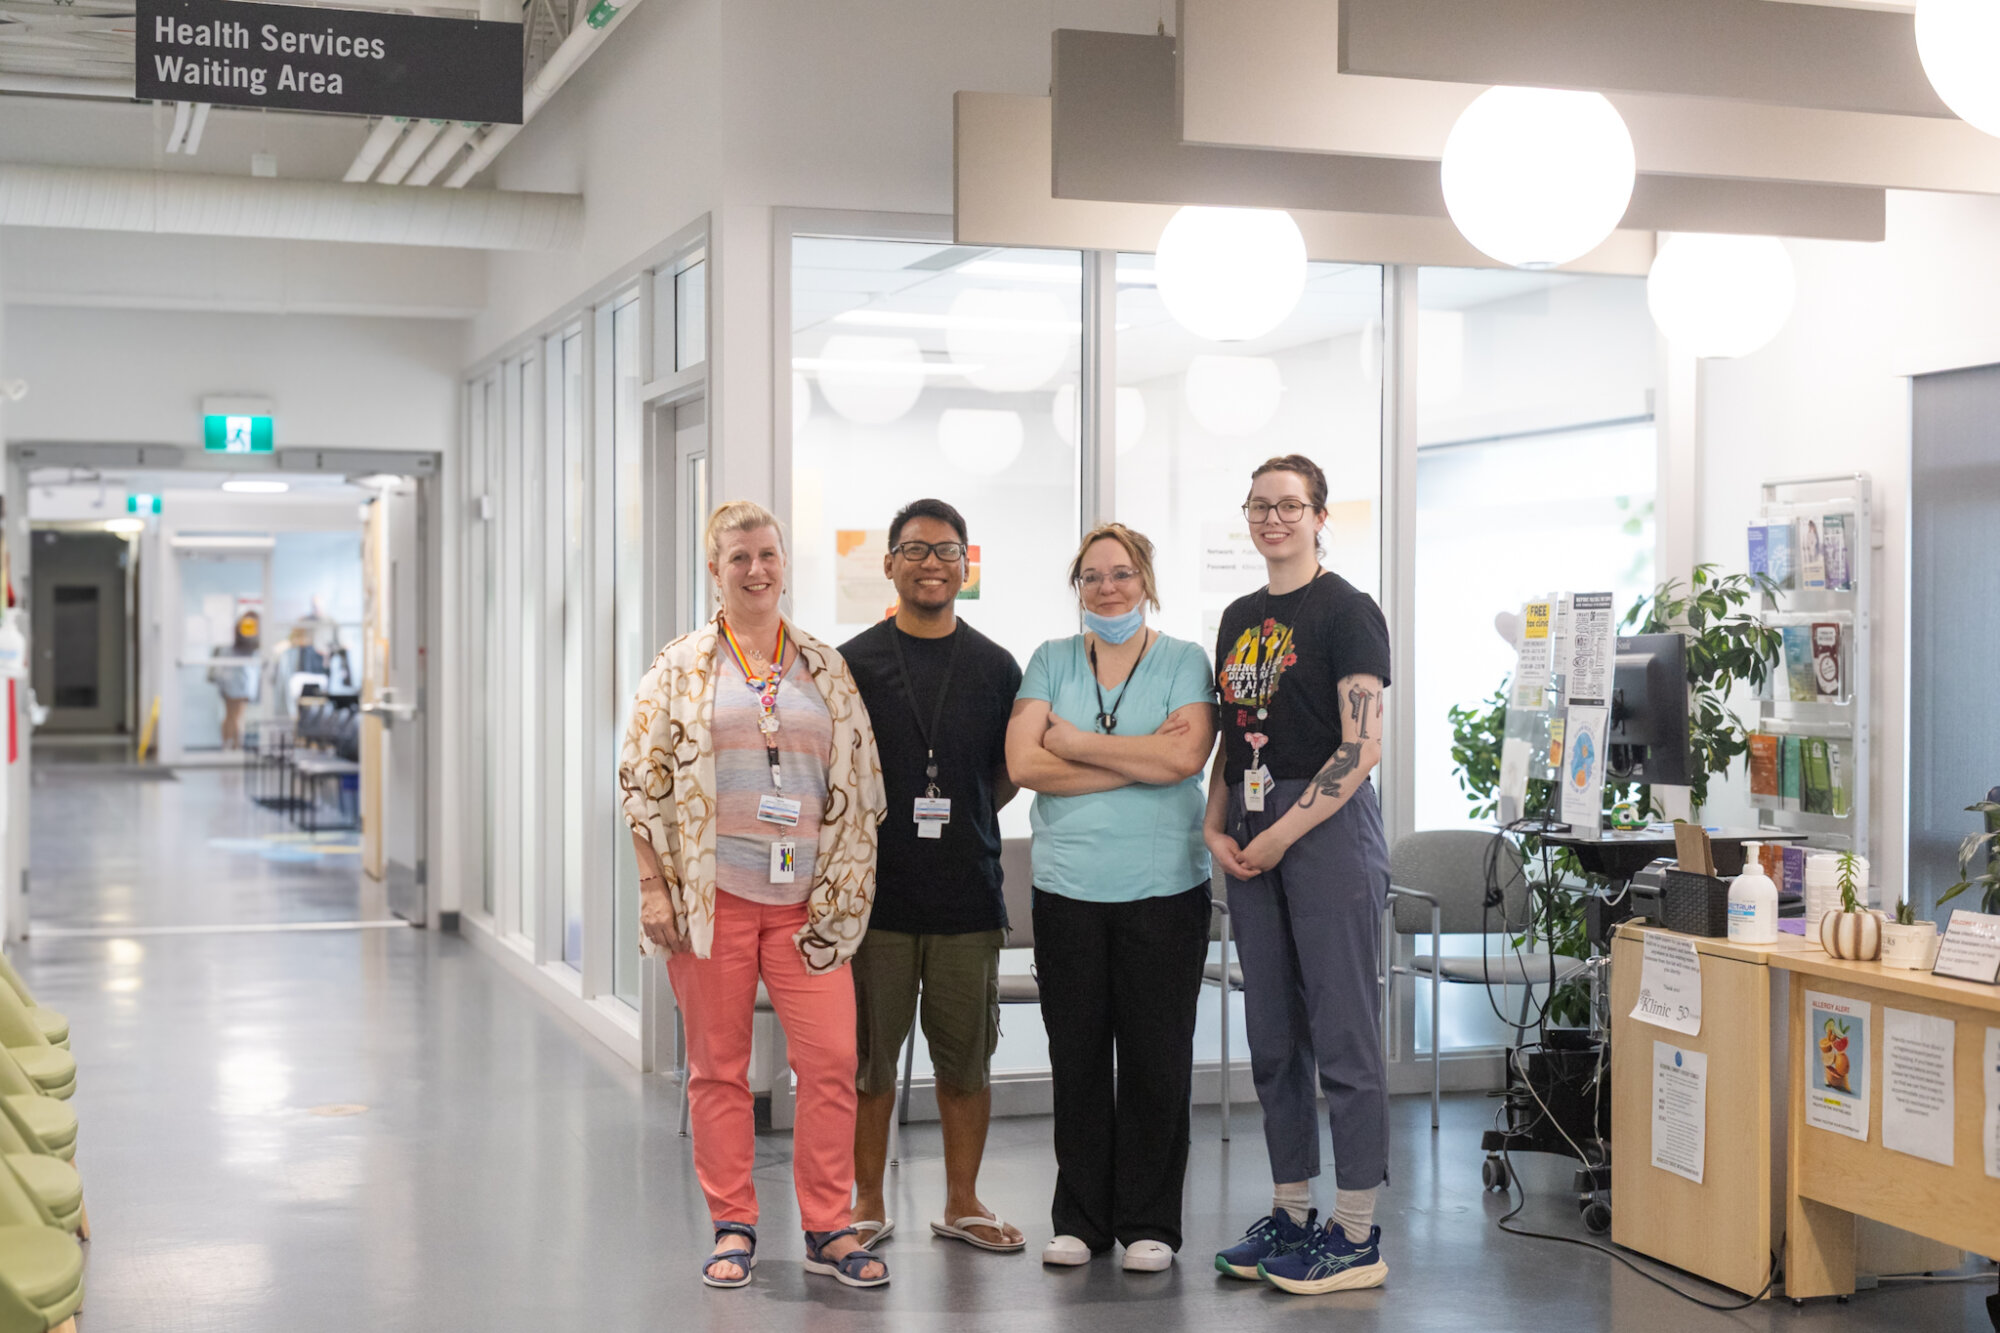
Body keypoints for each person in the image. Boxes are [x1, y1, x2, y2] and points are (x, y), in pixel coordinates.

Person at [617, 500, 890, 1291]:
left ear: (783, 561)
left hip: (808, 903)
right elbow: (640, 782)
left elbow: (862, 778)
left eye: (767, 553)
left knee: (832, 1062)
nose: (756, 569)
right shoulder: (680, 666)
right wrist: (651, 885)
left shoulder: (823, 667)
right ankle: (733, 1221)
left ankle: (828, 1226)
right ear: (715, 569)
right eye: (738, 557)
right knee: (718, 1068)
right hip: (715, 900)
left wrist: (846, 879)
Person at [1005, 522, 1216, 1273]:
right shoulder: (1052, 659)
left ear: (1146, 579)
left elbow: (1187, 755)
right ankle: (1082, 1218)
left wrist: (1079, 741)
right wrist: (1139, 761)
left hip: (1164, 891)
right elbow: (1024, 761)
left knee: (1159, 1059)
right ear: (1078, 587)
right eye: (1091, 576)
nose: (1107, 588)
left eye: (1121, 574)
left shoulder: (1186, 660)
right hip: (1068, 891)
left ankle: (1150, 1221)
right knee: (1080, 1058)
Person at [1206, 455, 1393, 1296]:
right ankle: (1292, 1210)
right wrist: (1214, 821)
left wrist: (1283, 829)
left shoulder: (1349, 612)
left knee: (1345, 1034)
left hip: (1322, 830)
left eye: (1289, 504)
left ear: (1321, 515)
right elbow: (1232, 731)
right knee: (1274, 1034)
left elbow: (1360, 748)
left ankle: (1354, 1232)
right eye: (1259, 504)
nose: (1272, 518)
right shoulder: (1239, 617)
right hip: (1249, 829)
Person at [839, 499, 1026, 1254]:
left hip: (967, 897)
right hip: (875, 899)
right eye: (914, 549)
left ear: (965, 566)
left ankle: (962, 1202)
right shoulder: (852, 663)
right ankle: (865, 1202)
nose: (930, 563)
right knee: (867, 1062)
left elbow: (1006, 775)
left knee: (965, 1059)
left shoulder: (995, 665)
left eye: (946, 551)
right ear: (888, 563)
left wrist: (960, 807)